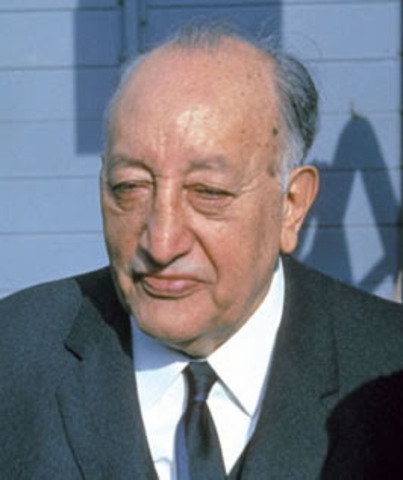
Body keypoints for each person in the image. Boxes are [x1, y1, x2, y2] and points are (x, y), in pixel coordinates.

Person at [1, 23, 402, 479]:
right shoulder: (13, 358)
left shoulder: (389, 367)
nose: (161, 242)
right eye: (130, 187)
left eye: (208, 192)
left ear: (291, 205)